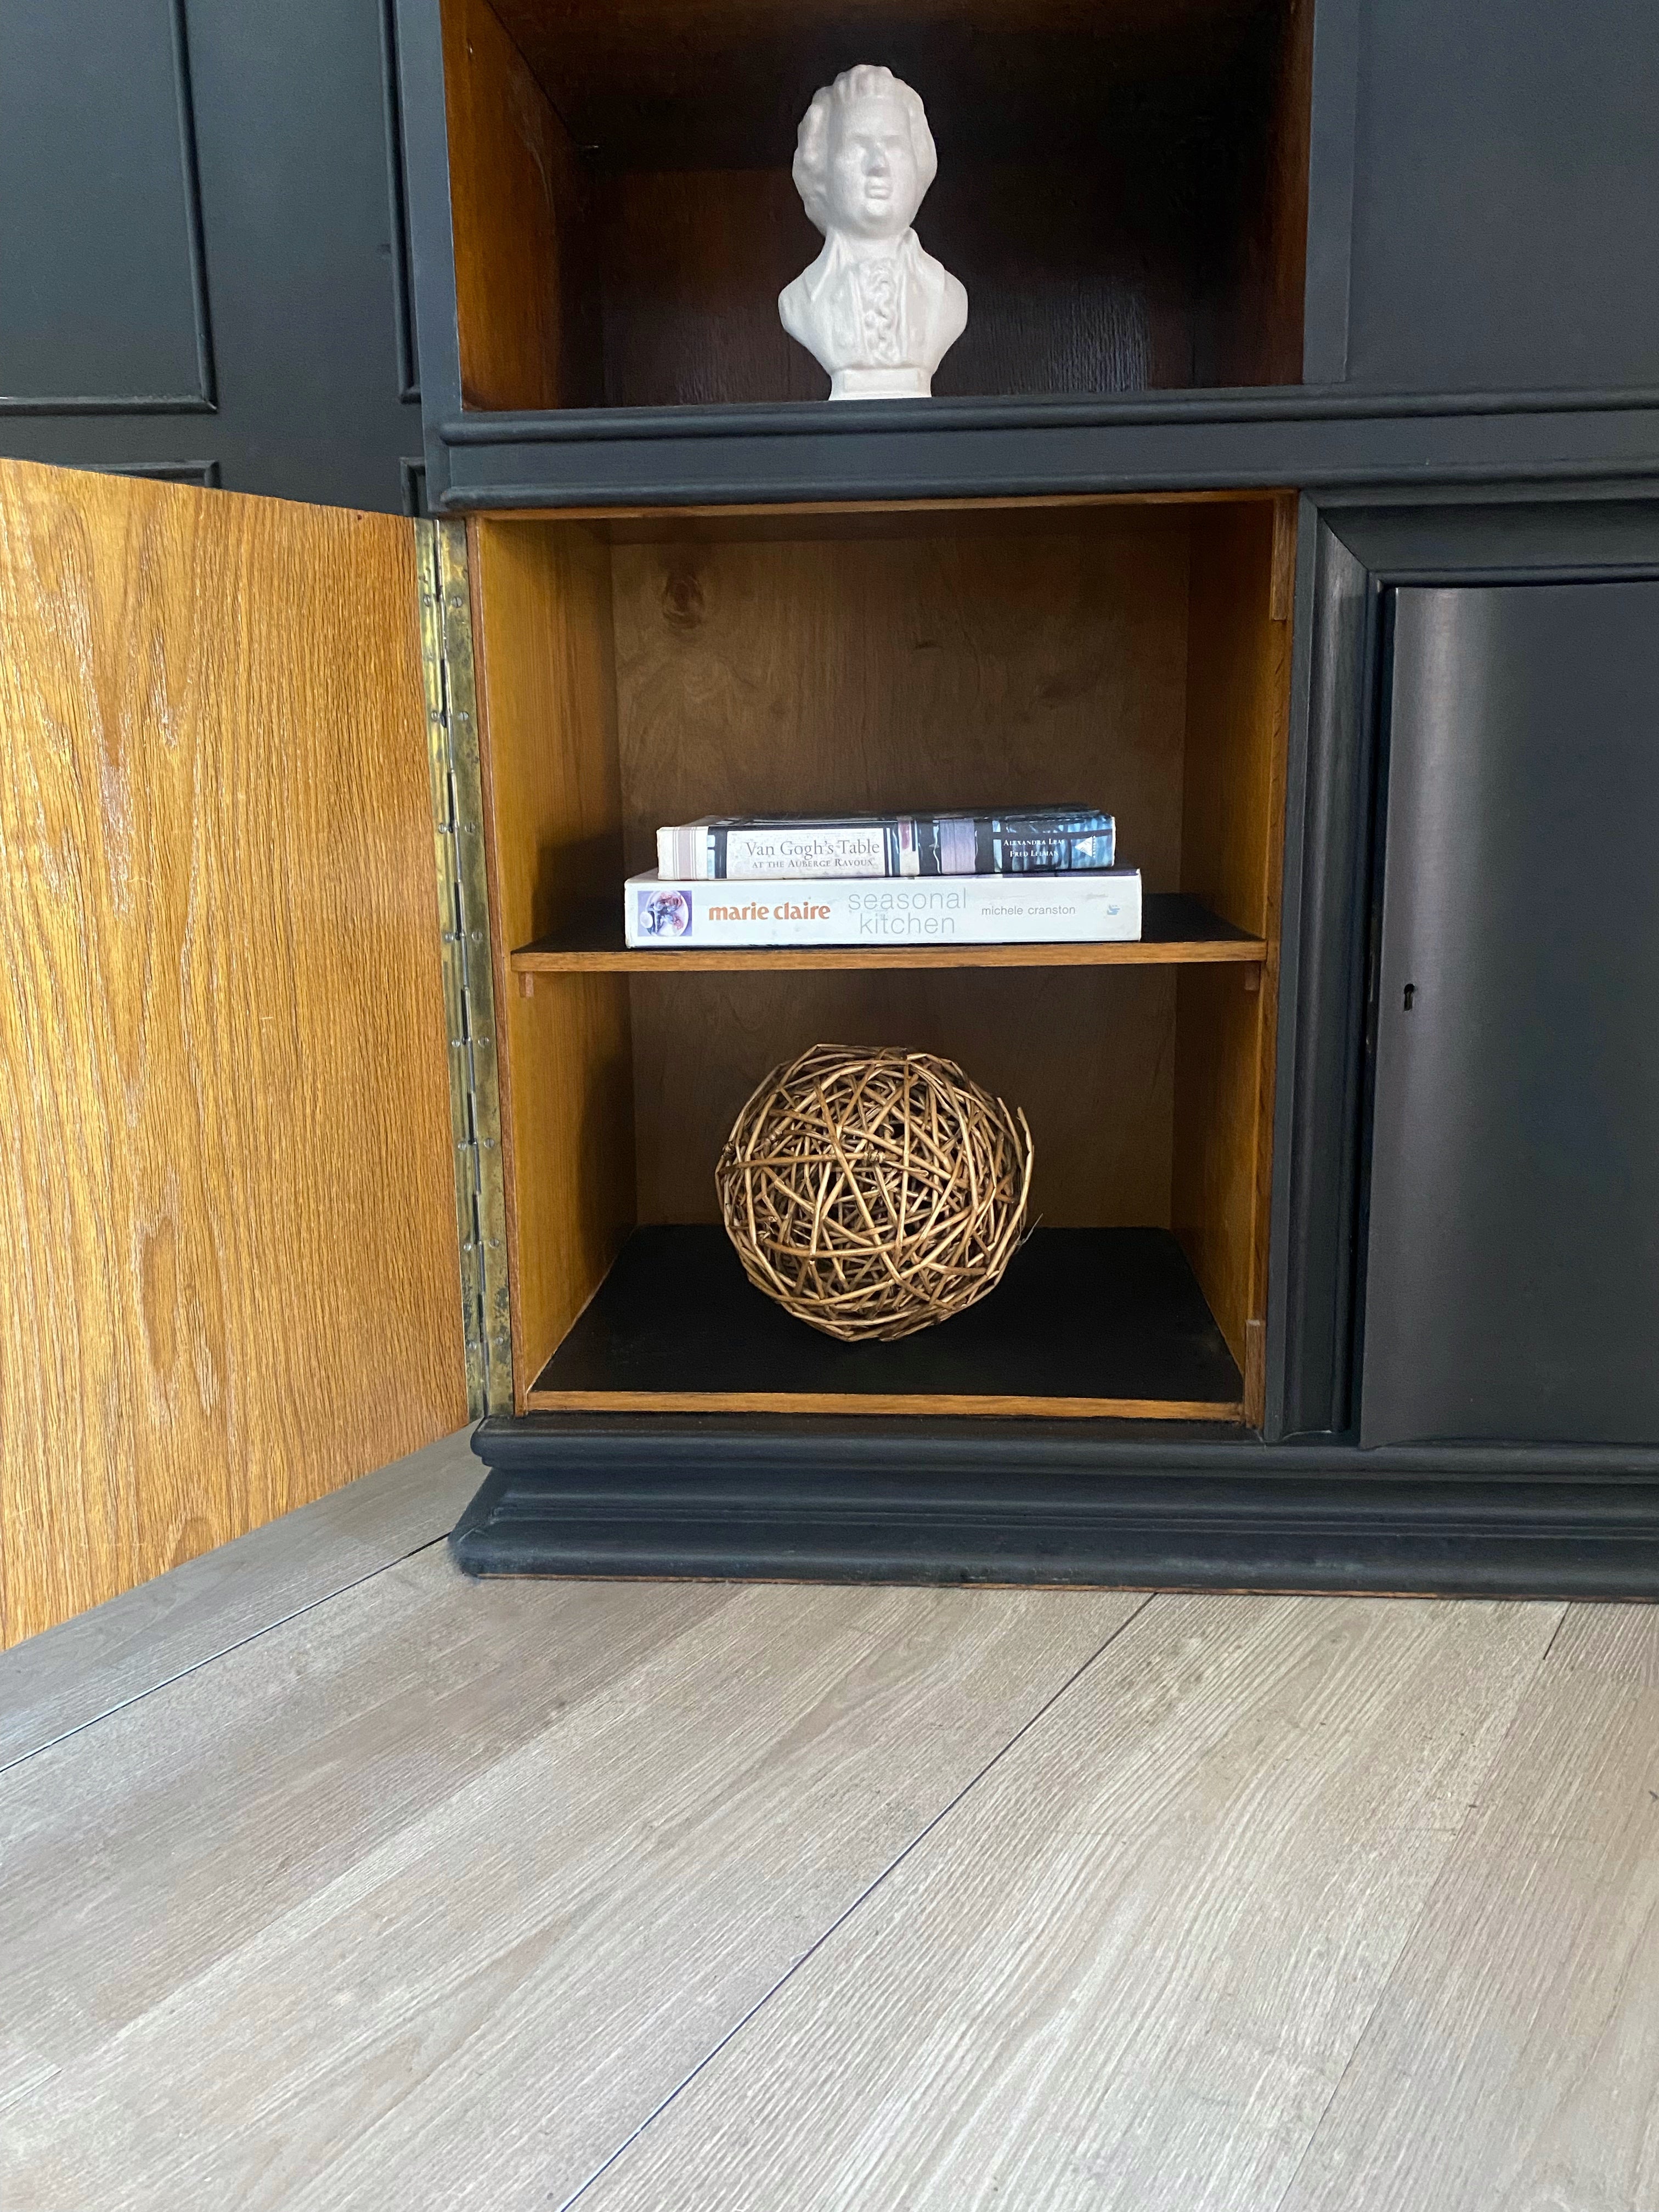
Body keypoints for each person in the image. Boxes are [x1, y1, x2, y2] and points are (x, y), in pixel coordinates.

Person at [779, 65, 968, 400]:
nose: (879, 165)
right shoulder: (801, 301)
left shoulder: (947, 296)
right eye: (858, 145)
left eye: (894, 146)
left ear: (918, 163)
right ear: (821, 168)